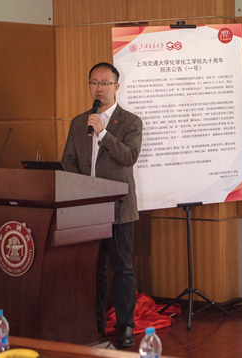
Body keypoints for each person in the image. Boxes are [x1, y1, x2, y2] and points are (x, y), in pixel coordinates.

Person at [61, 62, 142, 348]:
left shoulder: (130, 121)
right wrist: (82, 189)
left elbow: (129, 157)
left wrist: (104, 133)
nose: (99, 88)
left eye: (105, 83)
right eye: (94, 83)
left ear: (116, 87)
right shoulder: (78, 122)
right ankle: (94, 324)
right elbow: (68, 160)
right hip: (89, 207)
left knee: (122, 268)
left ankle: (125, 325)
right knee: (93, 270)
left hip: (119, 207)